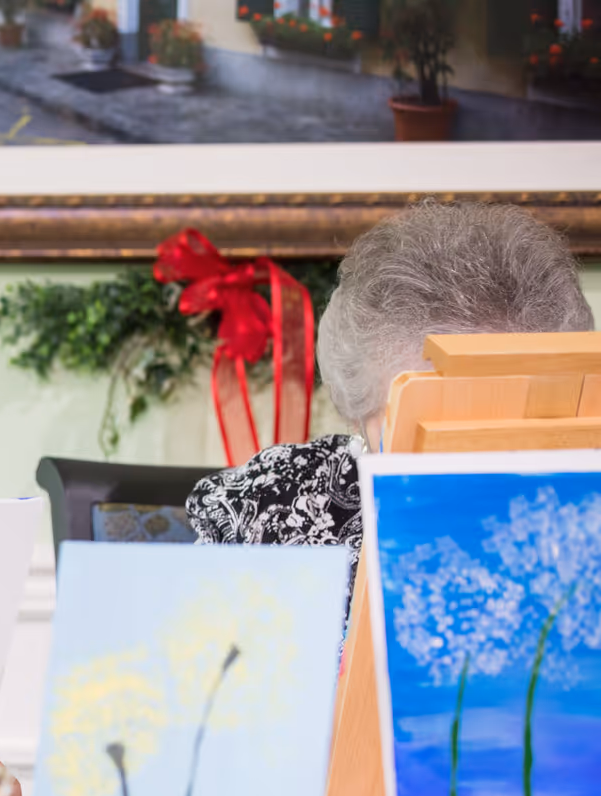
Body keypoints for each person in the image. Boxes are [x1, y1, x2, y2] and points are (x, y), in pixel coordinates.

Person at [186, 201, 595, 557]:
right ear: (358, 417)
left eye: (512, 423)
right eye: (433, 421)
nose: (476, 463)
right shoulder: (268, 507)